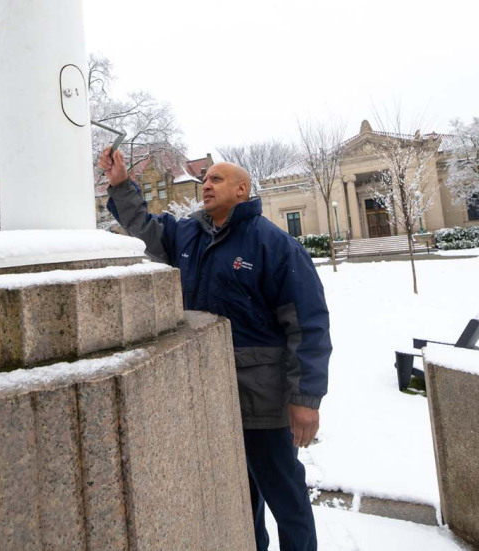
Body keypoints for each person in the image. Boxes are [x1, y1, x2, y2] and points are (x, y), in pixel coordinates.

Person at [100, 148, 331, 551]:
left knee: (286, 496)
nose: (206, 184)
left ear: (242, 190)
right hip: (209, 394)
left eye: (217, 179)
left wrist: (306, 398)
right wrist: (121, 184)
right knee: (240, 497)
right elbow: (143, 227)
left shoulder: (274, 245)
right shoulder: (187, 234)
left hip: (263, 400)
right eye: (204, 179)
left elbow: (307, 325)